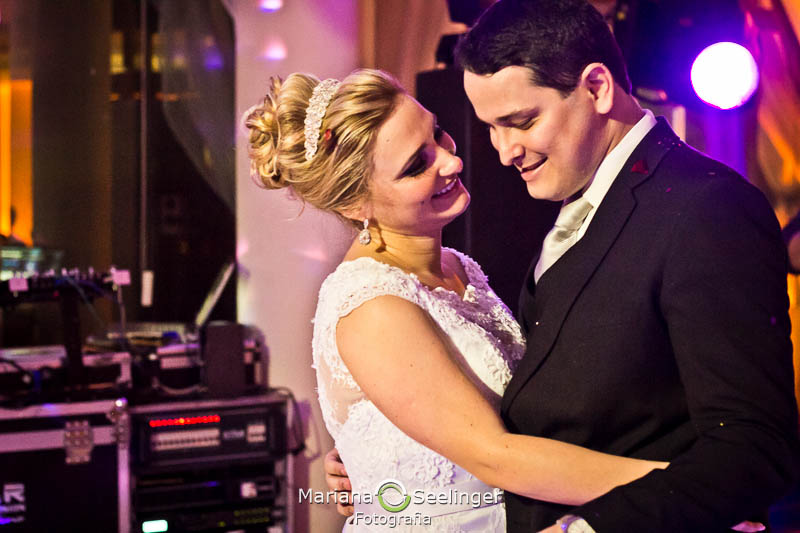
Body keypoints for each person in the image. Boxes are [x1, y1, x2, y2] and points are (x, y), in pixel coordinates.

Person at [325, 1, 800, 531]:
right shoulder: (562, 205)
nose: (501, 152)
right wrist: (389, 462)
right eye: (490, 127)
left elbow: (755, 444)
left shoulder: (706, 209)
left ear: (596, 88)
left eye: (520, 121)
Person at [245, 69, 678, 532]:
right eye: (416, 165)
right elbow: (497, 457)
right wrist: (685, 488)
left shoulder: (457, 266)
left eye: (437, 135)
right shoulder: (372, 307)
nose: (451, 163)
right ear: (356, 205)